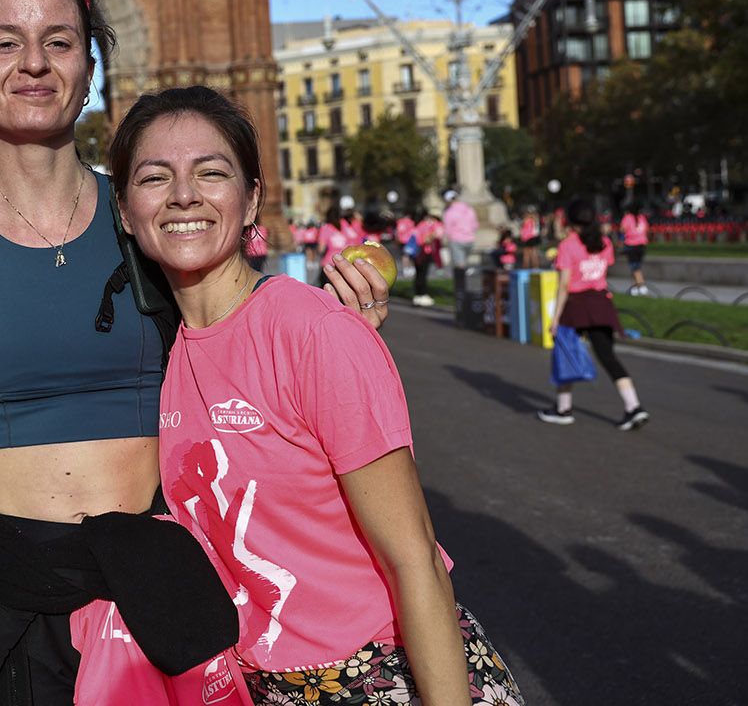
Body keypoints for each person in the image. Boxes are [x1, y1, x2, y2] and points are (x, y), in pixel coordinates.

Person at [0, 0, 391, 705]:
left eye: (59, 41)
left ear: (89, 71)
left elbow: (249, 341)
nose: (33, 64)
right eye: (5, 43)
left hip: (156, 592)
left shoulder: (149, 217)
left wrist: (348, 318)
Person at [111, 85, 525, 706]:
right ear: (124, 209)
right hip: (262, 687)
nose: (184, 196)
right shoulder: (161, 351)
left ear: (252, 199)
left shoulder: (312, 330)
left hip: (385, 675)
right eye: (154, 178)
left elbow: (415, 558)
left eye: (212, 172)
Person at [537, 199, 649, 431]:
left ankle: (563, 408)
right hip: (600, 302)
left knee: (566, 354)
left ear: (571, 221)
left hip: (576, 305)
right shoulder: (604, 242)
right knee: (608, 356)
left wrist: (555, 317)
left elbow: (564, 284)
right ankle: (634, 406)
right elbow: (603, 268)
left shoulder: (568, 245)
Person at [410, 205, 443, 307]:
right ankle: (422, 294)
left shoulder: (419, 225)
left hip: (416, 252)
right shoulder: (431, 225)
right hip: (424, 252)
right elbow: (438, 234)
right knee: (423, 274)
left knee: (418, 274)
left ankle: (418, 295)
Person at [619, 201, 650, 295]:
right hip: (642, 245)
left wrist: (621, 240)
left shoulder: (627, 218)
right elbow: (646, 229)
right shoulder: (642, 218)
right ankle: (635, 289)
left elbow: (622, 229)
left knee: (635, 267)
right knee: (636, 266)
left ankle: (642, 287)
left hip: (631, 245)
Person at [442, 192, 478, 271]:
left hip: (456, 240)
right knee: (464, 262)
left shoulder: (449, 212)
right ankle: (465, 280)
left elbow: (447, 229)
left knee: (459, 265)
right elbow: (475, 225)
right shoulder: (469, 209)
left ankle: (461, 282)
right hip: (470, 239)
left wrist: (446, 238)